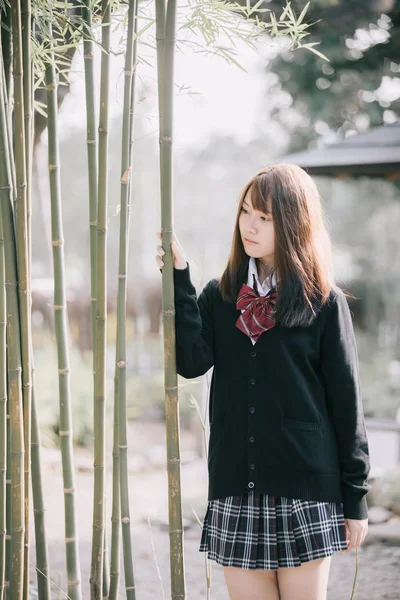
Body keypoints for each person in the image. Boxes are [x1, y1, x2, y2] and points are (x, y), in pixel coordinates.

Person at [155, 163, 371, 600]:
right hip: (237, 485)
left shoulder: (323, 302)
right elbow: (192, 362)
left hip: (306, 488)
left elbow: (347, 404)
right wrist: (179, 278)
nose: (249, 226)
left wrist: (356, 499)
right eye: (246, 212)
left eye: (265, 217)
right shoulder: (221, 294)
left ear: (293, 223)